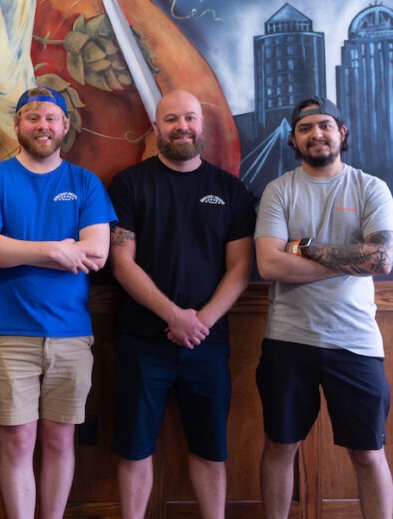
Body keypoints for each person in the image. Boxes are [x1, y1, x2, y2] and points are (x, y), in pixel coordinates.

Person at [0, 86, 116, 519]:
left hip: (71, 334)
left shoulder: (85, 183)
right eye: (32, 118)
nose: (41, 126)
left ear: (65, 125)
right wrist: (54, 249)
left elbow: (97, 254)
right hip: (9, 334)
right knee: (17, 441)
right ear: (17, 126)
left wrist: (25, 248)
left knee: (60, 440)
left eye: (50, 118)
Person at [107, 89, 255, 519]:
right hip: (141, 339)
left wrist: (199, 322)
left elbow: (241, 268)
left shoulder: (230, 190)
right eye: (171, 119)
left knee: (210, 449)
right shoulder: (129, 184)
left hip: (207, 343)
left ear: (202, 124)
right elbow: (121, 261)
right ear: (157, 128)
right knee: (134, 450)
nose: (182, 127)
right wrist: (174, 316)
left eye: (189, 118)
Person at [254, 96, 393, 519]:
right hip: (287, 339)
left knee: (368, 453)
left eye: (324, 126)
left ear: (341, 133)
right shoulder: (279, 190)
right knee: (280, 445)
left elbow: (381, 261)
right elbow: (268, 263)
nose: (316, 134)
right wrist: (349, 260)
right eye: (305, 129)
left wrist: (309, 249)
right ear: (294, 140)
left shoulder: (370, 187)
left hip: (355, 343)